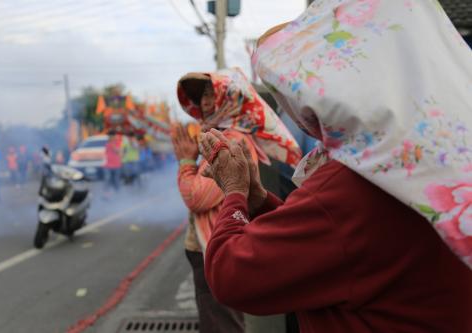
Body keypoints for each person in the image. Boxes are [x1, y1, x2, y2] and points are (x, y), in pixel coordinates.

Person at [199, 1, 472, 333]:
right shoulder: (440, 149)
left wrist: (234, 193)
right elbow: (340, 246)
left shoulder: (353, 181)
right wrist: (260, 201)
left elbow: (232, 276)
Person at [173, 68, 301, 333]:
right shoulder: (221, 136)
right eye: (201, 96)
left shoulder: (232, 141)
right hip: (209, 248)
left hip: (216, 248)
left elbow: (196, 197)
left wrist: (186, 160)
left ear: (230, 98)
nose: (204, 102)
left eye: (211, 94)